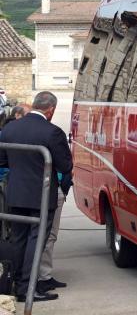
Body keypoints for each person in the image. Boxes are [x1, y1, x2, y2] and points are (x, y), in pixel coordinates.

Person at [0, 91, 72, 302]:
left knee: (18, 240)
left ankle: (15, 283)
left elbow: (2, 161)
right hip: (41, 196)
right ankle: (27, 289)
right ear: (51, 110)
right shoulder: (53, 132)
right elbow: (65, 166)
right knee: (36, 241)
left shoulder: (10, 127)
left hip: (16, 194)